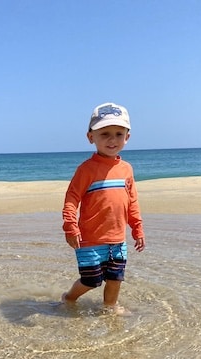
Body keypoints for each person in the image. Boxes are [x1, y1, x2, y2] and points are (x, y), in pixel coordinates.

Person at [62, 102, 145, 314]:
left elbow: (132, 201)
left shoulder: (126, 169)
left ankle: (110, 308)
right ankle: (69, 297)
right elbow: (72, 198)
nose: (112, 139)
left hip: (117, 238)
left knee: (116, 278)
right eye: (105, 133)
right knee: (91, 280)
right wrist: (70, 226)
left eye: (119, 133)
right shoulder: (87, 169)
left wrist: (137, 228)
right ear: (91, 137)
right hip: (89, 239)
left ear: (127, 137)